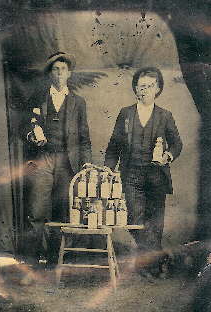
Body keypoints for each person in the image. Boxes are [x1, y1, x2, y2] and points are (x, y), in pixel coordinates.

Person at [104, 67, 182, 278]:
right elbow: (113, 145)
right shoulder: (125, 113)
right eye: (141, 86)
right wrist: (108, 171)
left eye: (149, 86)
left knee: (155, 223)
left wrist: (167, 156)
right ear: (135, 88)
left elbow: (177, 144)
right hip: (131, 176)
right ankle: (159, 257)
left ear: (157, 89)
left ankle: (151, 267)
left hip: (157, 176)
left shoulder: (165, 116)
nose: (144, 90)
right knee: (135, 220)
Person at [23, 52, 92, 264]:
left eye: (63, 69)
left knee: (61, 213)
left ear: (69, 73)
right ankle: (32, 263)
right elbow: (24, 128)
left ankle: (54, 261)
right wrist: (33, 135)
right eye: (56, 69)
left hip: (67, 163)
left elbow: (84, 137)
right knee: (36, 211)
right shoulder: (38, 98)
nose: (60, 73)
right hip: (43, 160)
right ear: (50, 74)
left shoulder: (78, 102)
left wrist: (86, 165)